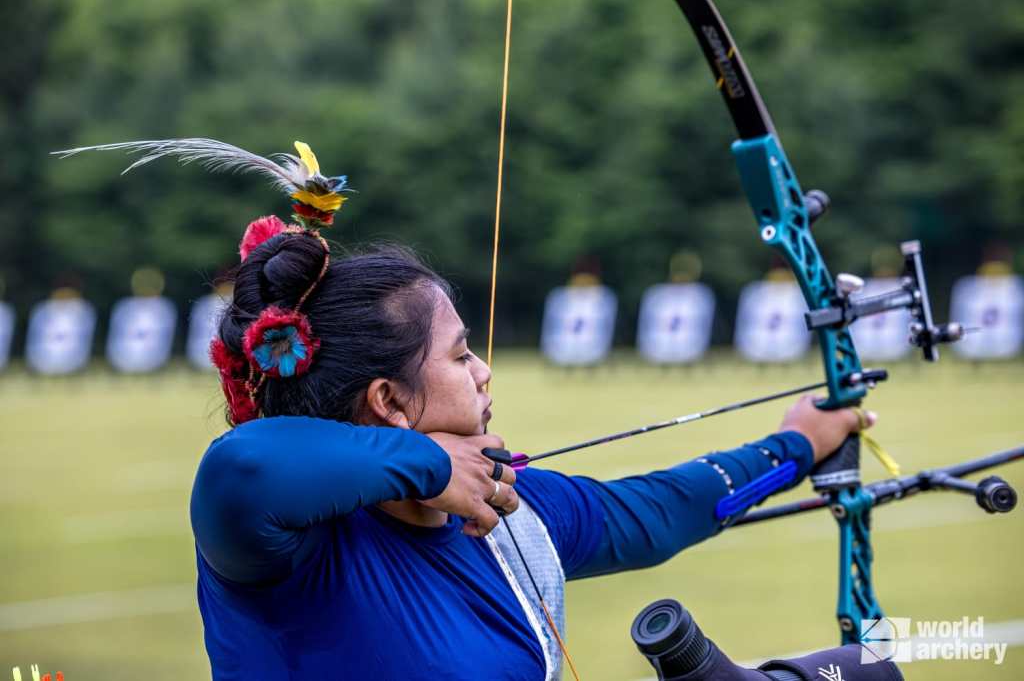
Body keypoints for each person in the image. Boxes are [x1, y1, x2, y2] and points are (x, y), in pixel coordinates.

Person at [57, 138, 873, 680]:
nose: (484, 373)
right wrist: (433, 465)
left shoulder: (506, 509)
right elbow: (244, 465)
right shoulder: (285, 552)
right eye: (457, 355)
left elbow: (655, 512)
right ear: (388, 400)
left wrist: (795, 445)